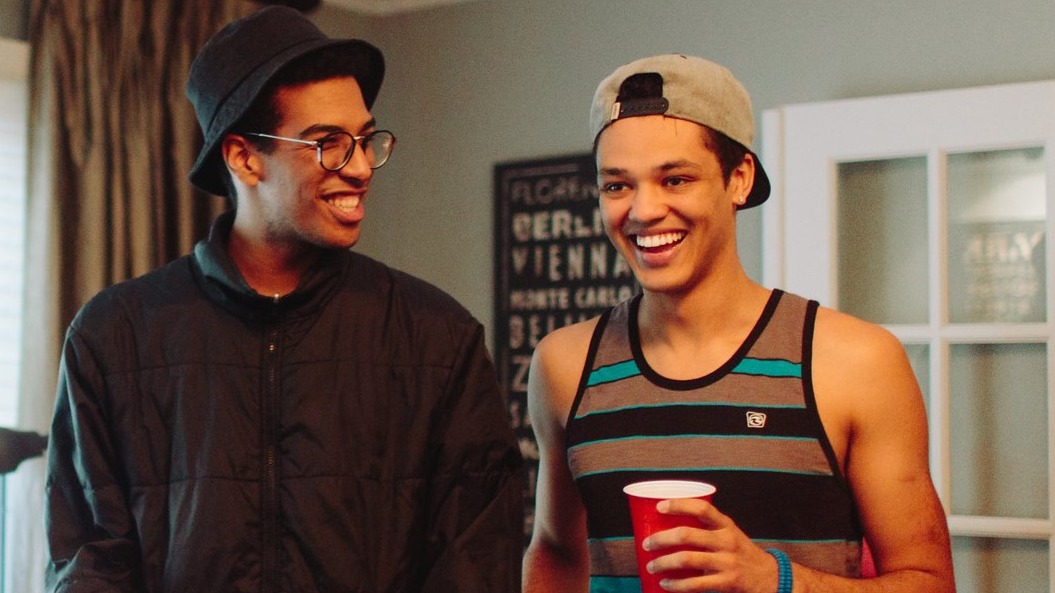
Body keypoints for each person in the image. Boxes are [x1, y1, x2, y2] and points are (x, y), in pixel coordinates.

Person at [44, 6, 523, 593]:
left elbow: (476, 561)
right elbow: (89, 561)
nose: (361, 167)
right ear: (244, 158)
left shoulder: (438, 340)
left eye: (365, 140)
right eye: (328, 144)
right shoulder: (113, 337)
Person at [522, 54, 955, 593]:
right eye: (617, 186)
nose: (643, 210)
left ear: (740, 179)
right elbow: (556, 550)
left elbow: (930, 582)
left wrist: (774, 580)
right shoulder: (564, 365)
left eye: (675, 179)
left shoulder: (855, 362)